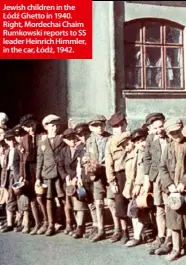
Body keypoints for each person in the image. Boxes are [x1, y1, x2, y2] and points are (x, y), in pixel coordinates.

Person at [160, 118, 186, 261]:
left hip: (184, 189)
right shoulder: (168, 148)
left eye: (178, 132)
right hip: (173, 192)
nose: (176, 136)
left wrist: (184, 182)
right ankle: (176, 248)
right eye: (172, 133)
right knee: (174, 221)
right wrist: (169, 184)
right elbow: (162, 168)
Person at [36, 114, 65, 236]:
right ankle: (51, 224)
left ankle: (68, 222)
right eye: (52, 126)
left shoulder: (62, 138)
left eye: (57, 126)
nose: (55, 128)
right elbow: (40, 160)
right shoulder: (42, 141)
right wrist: (38, 177)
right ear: (46, 126)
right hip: (47, 174)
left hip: (59, 173)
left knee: (62, 198)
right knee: (49, 199)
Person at [105, 112, 130, 243]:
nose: (119, 128)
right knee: (120, 204)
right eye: (116, 126)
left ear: (126, 124)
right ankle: (125, 232)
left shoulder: (131, 138)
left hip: (132, 173)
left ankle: (142, 231)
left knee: (136, 203)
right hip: (119, 175)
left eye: (121, 125)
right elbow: (108, 164)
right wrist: (111, 181)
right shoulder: (110, 143)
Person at [85, 115, 111, 242]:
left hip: (109, 172)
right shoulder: (89, 140)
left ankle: (119, 229)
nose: (99, 128)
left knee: (111, 202)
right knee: (98, 202)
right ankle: (101, 229)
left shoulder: (110, 138)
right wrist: (87, 164)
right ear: (91, 127)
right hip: (96, 175)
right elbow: (87, 156)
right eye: (95, 126)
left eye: (101, 125)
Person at [60, 128, 88, 238]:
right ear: (65, 141)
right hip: (68, 183)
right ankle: (77, 225)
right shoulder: (63, 151)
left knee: (79, 205)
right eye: (69, 139)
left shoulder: (81, 150)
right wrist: (66, 177)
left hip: (79, 181)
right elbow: (60, 166)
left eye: (73, 138)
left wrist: (77, 177)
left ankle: (80, 227)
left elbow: (81, 166)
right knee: (70, 205)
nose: (72, 140)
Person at [19, 114, 44, 235]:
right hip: (29, 170)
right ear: (24, 128)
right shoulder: (23, 139)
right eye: (28, 127)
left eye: (32, 125)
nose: (31, 129)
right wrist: (22, 175)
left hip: (40, 168)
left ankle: (47, 221)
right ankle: (37, 222)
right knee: (31, 197)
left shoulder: (42, 136)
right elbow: (22, 160)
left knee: (41, 196)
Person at [124, 127, 148, 247]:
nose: (141, 144)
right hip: (137, 186)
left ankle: (138, 236)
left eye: (143, 140)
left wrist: (139, 184)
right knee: (135, 210)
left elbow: (144, 171)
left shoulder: (148, 152)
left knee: (137, 209)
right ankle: (138, 235)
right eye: (137, 142)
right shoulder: (136, 152)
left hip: (144, 185)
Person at [74, 123, 98, 239]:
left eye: (85, 134)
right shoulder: (79, 148)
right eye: (80, 135)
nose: (83, 137)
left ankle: (97, 225)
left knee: (96, 202)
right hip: (84, 177)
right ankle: (85, 226)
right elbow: (78, 164)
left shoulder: (93, 144)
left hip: (94, 175)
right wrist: (78, 178)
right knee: (88, 201)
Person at [0, 130, 20, 232]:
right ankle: (9, 223)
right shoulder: (7, 151)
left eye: (12, 139)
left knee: (19, 198)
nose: (11, 141)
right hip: (9, 176)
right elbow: (4, 167)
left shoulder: (18, 149)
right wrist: (3, 181)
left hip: (17, 176)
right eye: (8, 140)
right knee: (9, 199)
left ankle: (20, 221)